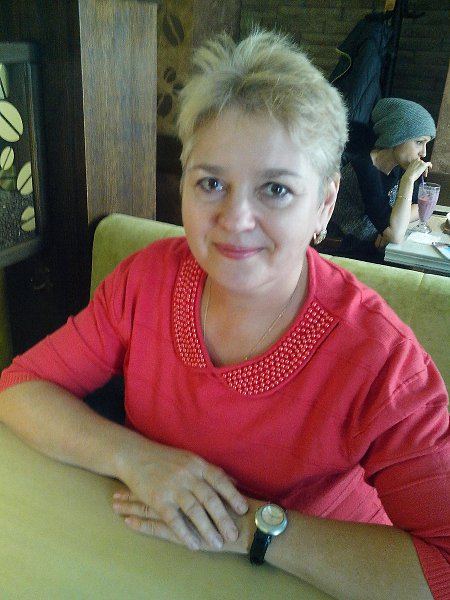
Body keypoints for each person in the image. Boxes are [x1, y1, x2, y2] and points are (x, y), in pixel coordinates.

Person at [0, 30, 448, 600]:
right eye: (211, 183)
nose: (235, 220)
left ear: (324, 204)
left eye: (275, 190)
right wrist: (134, 457)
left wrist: (249, 527)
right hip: (155, 563)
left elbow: (442, 567)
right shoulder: (147, 280)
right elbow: (21, 388)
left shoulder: (381, 358)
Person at [329, 97, 436, 260]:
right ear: (396, 137)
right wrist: (408, 180)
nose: (424, 153)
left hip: (377, 251)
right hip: (347, 254)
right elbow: (396, 235)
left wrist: (390, 226)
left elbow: (421, 206)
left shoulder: (403, 165)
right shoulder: (364, 168)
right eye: (419, 142)